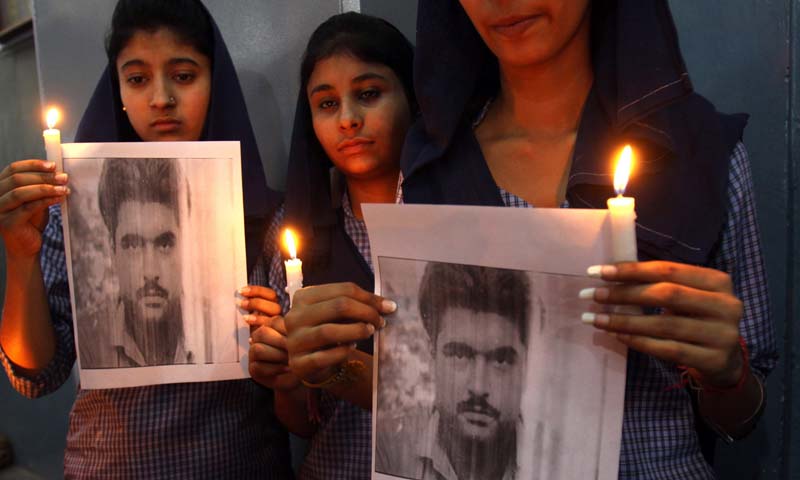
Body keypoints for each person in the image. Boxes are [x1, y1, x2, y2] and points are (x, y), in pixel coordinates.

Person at [400, 0, 778, 478]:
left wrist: (727, 375)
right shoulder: (428, 172)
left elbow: (743, 417)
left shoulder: (703, 157)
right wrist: (330, 366)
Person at [0, 0, 290, 477]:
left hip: (237, 463)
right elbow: (36, 377)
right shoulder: (69, 211)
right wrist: (19, 255)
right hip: (110, 464)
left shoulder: (264, 217)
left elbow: (295, 391)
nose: (161, 99)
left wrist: (279, 349)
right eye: (137, 79)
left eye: (183, 75)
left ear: (214, 83)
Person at [240, 12, 414, 479]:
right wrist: (282, 376)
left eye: (369, 95)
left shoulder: (460, 214)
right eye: (327, 104)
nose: (349, 120)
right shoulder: (295, 233)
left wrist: (334, 364)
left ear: (413, 97)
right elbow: (299, 423)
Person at [417, 262, 530, 480]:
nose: (478, 387)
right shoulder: (389, 448)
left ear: (526, 366)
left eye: (501, 359)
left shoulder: (561, 461)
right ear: (431, 357)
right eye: (459, 355)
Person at [93, 158, 188, 368]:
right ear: (113, 250)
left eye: (164, 244)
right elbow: (37, 379)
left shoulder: (218, 330)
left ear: (183, 246)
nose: (150, 272)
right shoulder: (90, 336)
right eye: (133, 246)